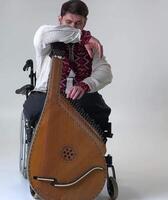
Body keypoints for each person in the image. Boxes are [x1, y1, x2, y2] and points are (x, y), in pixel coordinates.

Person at [23, 0, 112, 142]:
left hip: (80, 96)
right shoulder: (48, 40)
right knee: (34, 110)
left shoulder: (91, 46)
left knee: (99, 110)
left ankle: (92, 154)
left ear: (85, 22)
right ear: (60, 19)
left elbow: (105, 71)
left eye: (78, 24)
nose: (73, 27)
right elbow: (41, 33)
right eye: (68, 22)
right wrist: (82, 36)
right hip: (46, 93)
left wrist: (85, 84)